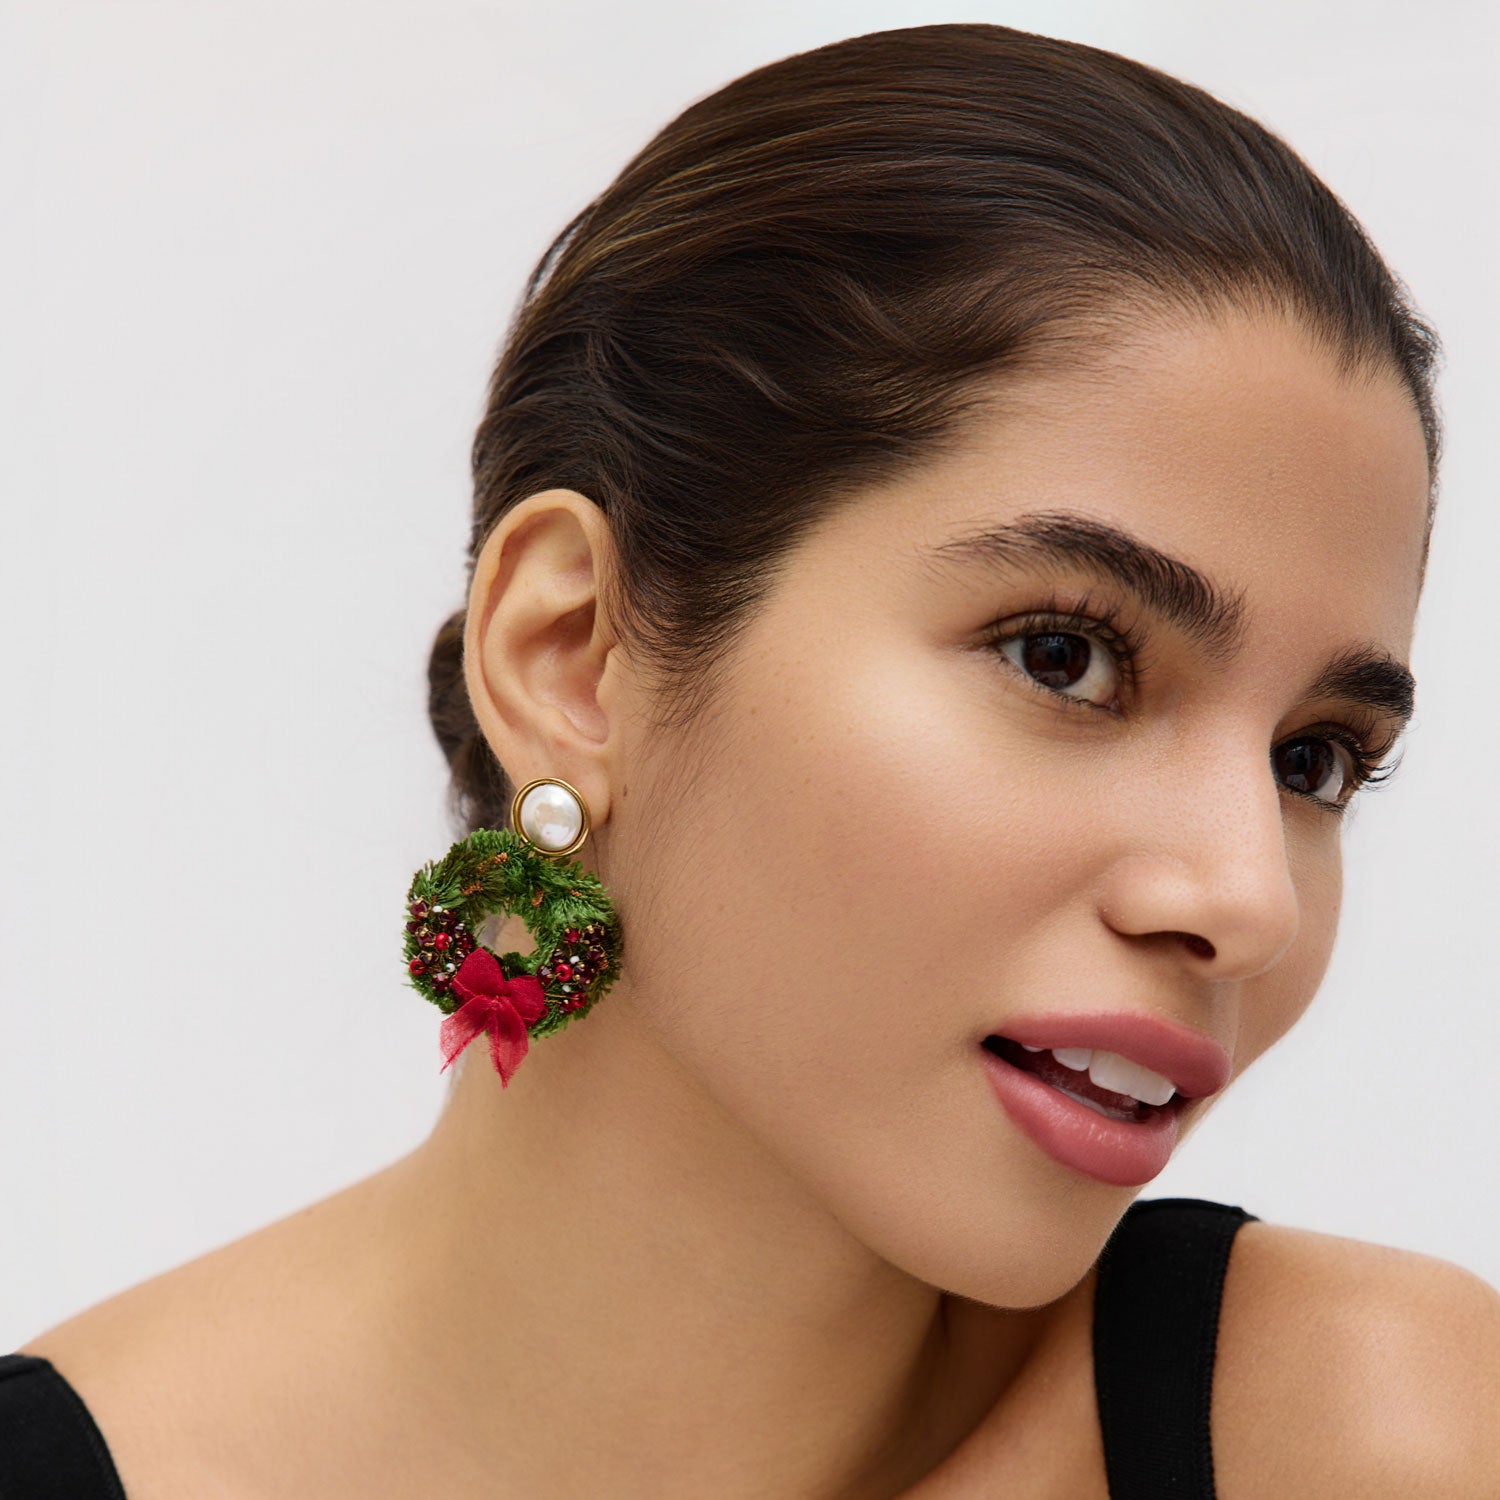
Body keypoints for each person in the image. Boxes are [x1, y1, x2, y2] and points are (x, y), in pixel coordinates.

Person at [5, 21, 1497, 1500]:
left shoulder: (1355, 1436)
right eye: (1066, 658)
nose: (1250, 901)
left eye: (1315, 759)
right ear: (573, 652)